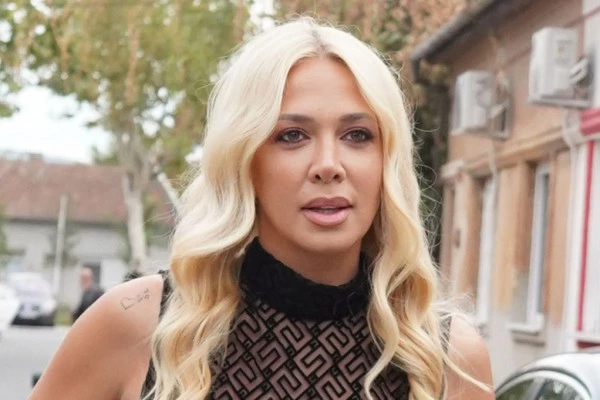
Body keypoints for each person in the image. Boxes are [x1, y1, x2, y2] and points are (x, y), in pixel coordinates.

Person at [28, 18, 494, 400]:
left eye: (357, 135)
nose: (328, 165)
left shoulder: (447, 356)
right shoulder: (140, 325)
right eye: (292, 135)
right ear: (245, 160)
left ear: (387, 161)